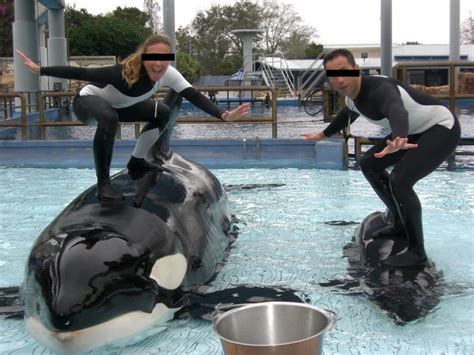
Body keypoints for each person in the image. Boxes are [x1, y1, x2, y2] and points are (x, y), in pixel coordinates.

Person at [17, 34, 249, 203]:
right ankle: (104, 184)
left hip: (118, 108)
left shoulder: (168, 74)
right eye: (153, 57)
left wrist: (223, 115)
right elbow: (82, 73)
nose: (158, 63)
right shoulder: (122, 73)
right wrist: (41, 70)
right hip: (87, 104)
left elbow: (193, 95)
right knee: (108, 117)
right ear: (144, 56)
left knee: (163, 112)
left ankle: (136, 160)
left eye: (164, 58)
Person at [301, 49, 460, 267]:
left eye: (344, 72)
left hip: (441, 127)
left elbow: (397, 110)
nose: (339, 79)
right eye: (332, 75)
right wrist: (323, 134)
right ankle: (399, 221)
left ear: (356, 69)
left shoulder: (380, 89)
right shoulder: (352, 98)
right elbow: (347, 115)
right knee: (369, 163)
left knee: (400, 181)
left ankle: (417, 252)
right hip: (412, 132)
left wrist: (399, 136)